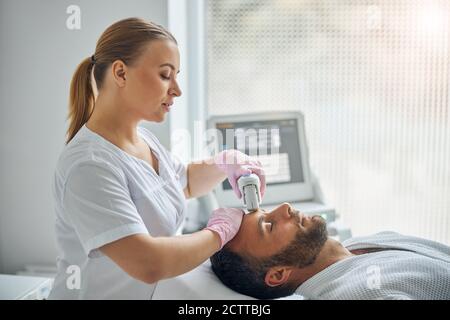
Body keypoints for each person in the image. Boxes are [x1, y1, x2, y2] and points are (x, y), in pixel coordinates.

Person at [49, 17, 266, 299]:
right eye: (165, 75)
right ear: (121, 73)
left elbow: (184, 183)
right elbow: (147, 263)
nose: (177, 89)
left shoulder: (143, 139)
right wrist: (219, 233)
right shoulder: (89, 166)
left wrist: (225, 161)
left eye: (177, 76)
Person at [210, 203, 450, 300]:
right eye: (269, 226)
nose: (285, 208)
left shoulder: (360, 245)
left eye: (267, 211)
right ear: (278, 273)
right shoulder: (356, 295)